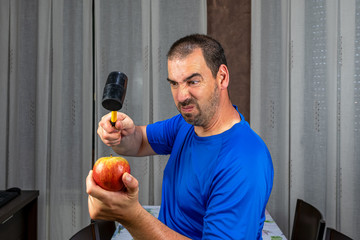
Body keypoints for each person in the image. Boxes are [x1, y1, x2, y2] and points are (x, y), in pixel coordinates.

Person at [86, 34, 274, 240]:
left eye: (193, 81)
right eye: (174, 84)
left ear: (222, 77)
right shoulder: (187, 124)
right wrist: (122, 134)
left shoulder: (244, 161)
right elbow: (139, 141)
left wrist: (132, 216)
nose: (182, 96)